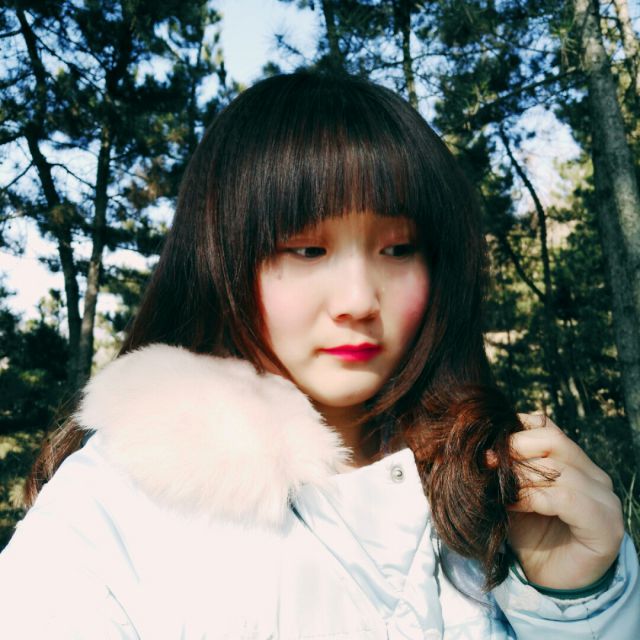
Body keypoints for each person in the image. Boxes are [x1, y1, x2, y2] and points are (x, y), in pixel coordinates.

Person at [0, 71, 638, 639]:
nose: (358, 300)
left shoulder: (493, 492)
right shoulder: (107, 515)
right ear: (220, 260)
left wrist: (577, 604)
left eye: (398, 249)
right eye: (307, 250)